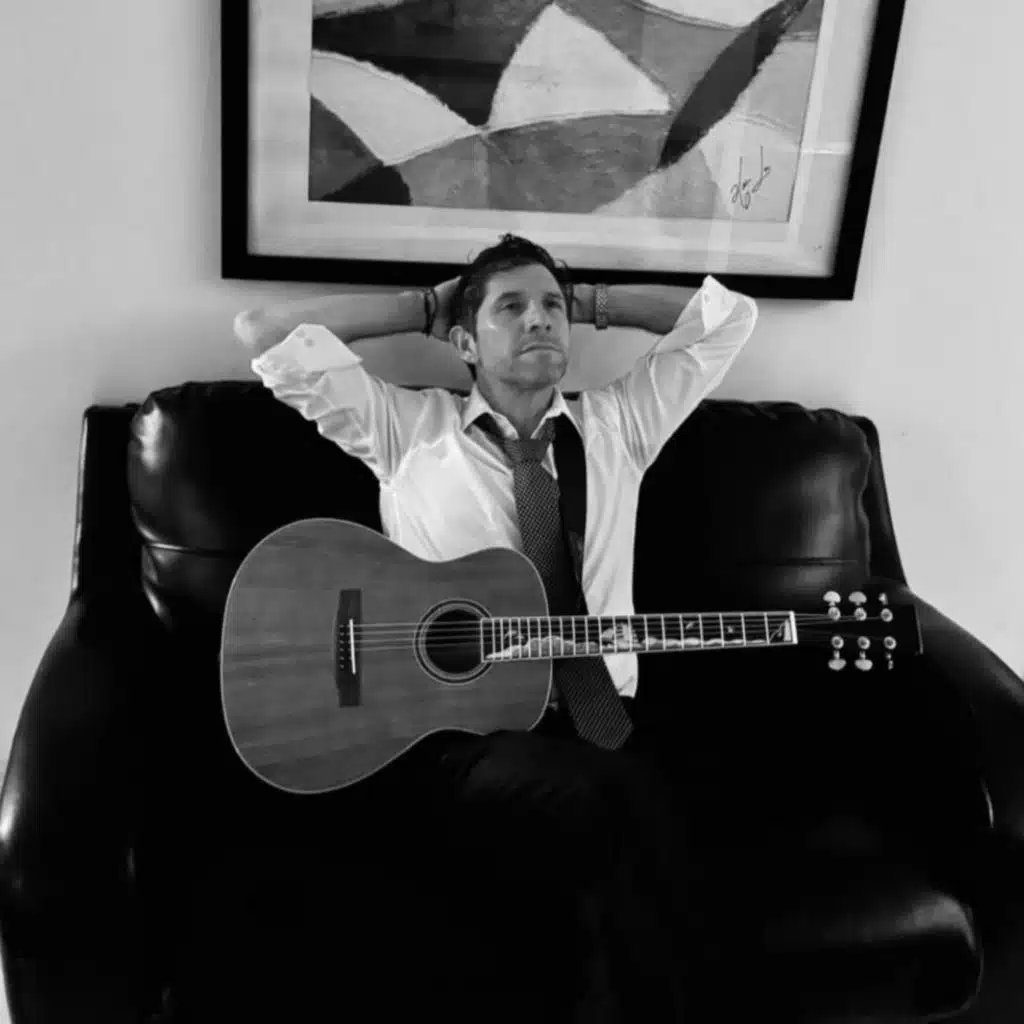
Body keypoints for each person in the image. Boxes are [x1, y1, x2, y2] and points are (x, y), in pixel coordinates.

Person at [219, 234, 758, 1023]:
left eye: (551, 307)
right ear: (466, 343)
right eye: (512, 307)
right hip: (459, 736)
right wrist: (422, 308)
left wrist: (594, 300)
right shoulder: (408, 430)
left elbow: (729, 319)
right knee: (619, 804)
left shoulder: (620, 426)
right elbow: (263, 332)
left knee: (618, 825)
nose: (539, 320)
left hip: (602, 721)